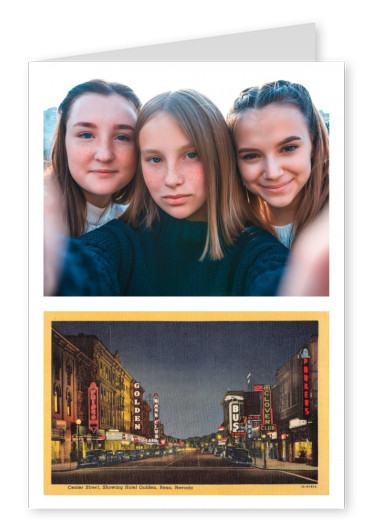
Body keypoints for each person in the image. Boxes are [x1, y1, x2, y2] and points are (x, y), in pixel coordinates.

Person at [49, 89, 289, 296]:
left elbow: (280, 284)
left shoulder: (256, 251)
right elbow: (86, 267)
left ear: (218, 157)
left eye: (191, 155)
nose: (171, 179)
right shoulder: (122, 241)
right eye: (155, 159)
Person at [227, 80, 329, 249]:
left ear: (314, 145)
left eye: (288, 148)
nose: (273, 172)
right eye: (251, 155)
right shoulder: (232, 237)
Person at [47, 79, 141, 237]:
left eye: (122, 137)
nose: (104, 155)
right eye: (86, 135)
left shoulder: (139, 227)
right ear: (64, 142)